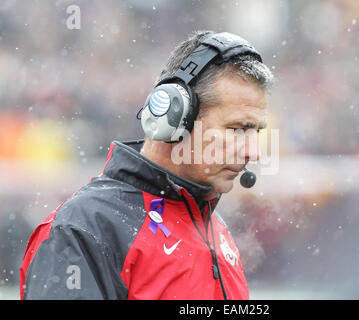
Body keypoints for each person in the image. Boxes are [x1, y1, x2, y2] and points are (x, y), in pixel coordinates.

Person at [19, 30, 274, 300]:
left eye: (255, 132)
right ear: (176, 116)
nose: (253, 152)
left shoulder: (212, 225)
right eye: (237, 129)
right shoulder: (81, 230)